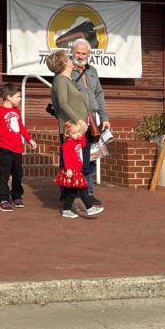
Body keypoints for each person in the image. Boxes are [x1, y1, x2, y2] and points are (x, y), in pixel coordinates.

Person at [0, 81, 38, 211]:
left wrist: (29, 139)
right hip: (5, 148)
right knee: (4, 175)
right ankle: (3, 199)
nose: (20, 99)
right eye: (18, 96)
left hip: (18, 148)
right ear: (9, 97)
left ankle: (16, 196)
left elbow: (21, 127)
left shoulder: (16, 112)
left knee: (18, 174)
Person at [69, 40, 111, 202]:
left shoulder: (92, 70)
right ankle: (69, 193)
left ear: (89, 54)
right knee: (73, 158)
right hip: (75, 119)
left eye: (83, 53)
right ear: (72, 52)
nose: (80, 56)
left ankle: (89, 193)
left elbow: (99, 94)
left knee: (91, 156)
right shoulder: (67, 70)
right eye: (77, 53)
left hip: (92, 119)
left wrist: (104, 117)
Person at [57, 118, 103, 218]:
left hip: (78, 170)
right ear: (68, 134)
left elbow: (83, 141)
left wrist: (82, 129)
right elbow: (66, 157)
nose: (77, 134)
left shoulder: (78, 141)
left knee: (72, 192)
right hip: (72, 171)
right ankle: (89, 208)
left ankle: (66, 210)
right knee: (83, 188)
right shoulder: (67, 144)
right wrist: (68, 169)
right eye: (74, 133)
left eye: (78, 132)